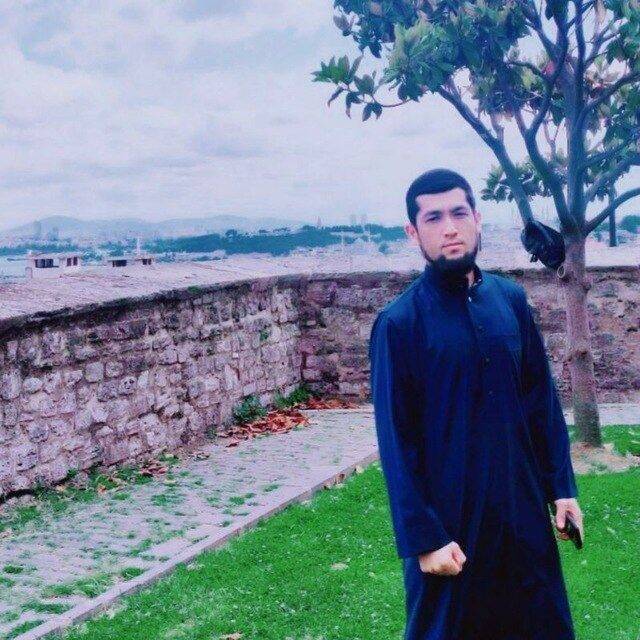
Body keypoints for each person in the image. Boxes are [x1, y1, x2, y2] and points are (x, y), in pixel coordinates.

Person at [368, 168, 584, 639]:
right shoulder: (399, 324)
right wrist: (426, 539)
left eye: (459, 213)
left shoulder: (510, 300)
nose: (450, 228)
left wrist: (561, 488)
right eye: (433, 218)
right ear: (413, 232)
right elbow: (397, 442)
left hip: (522, 514)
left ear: (477, 219)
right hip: (452, 529)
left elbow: (540, 402)